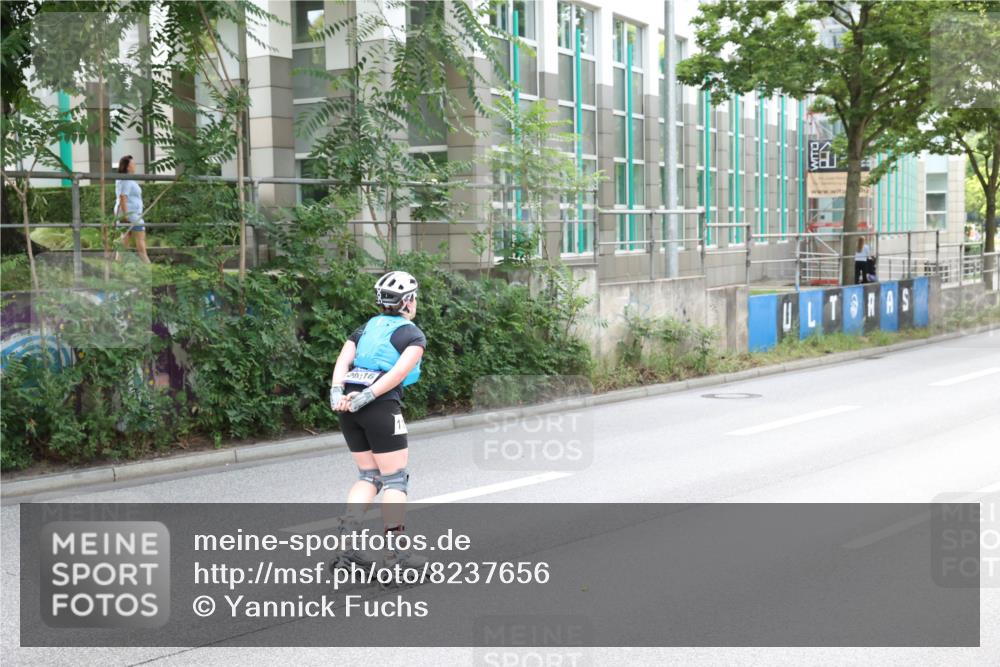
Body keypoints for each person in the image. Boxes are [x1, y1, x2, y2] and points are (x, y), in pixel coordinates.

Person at [329, 270, 426, 572]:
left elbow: (343, 360)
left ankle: (348, 551)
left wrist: (335, 391)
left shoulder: (366, 327)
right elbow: (397, 374)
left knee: (368, 476)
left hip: (348, 406)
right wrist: (370, 395)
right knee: (395, 479)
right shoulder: (412, 334)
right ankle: (396, 557)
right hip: (380, 406)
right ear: (408, 301)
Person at [114, 155, 150, 264]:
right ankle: (147, 264)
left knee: (125, 239)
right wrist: (126, 215)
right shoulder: (126, 180)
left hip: (127, 213)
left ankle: (117, 265)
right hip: (131, 214)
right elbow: (123, 197)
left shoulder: (123, 179)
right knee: (140, 239)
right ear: (127, 167)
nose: (135, 166)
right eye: (133, 164)